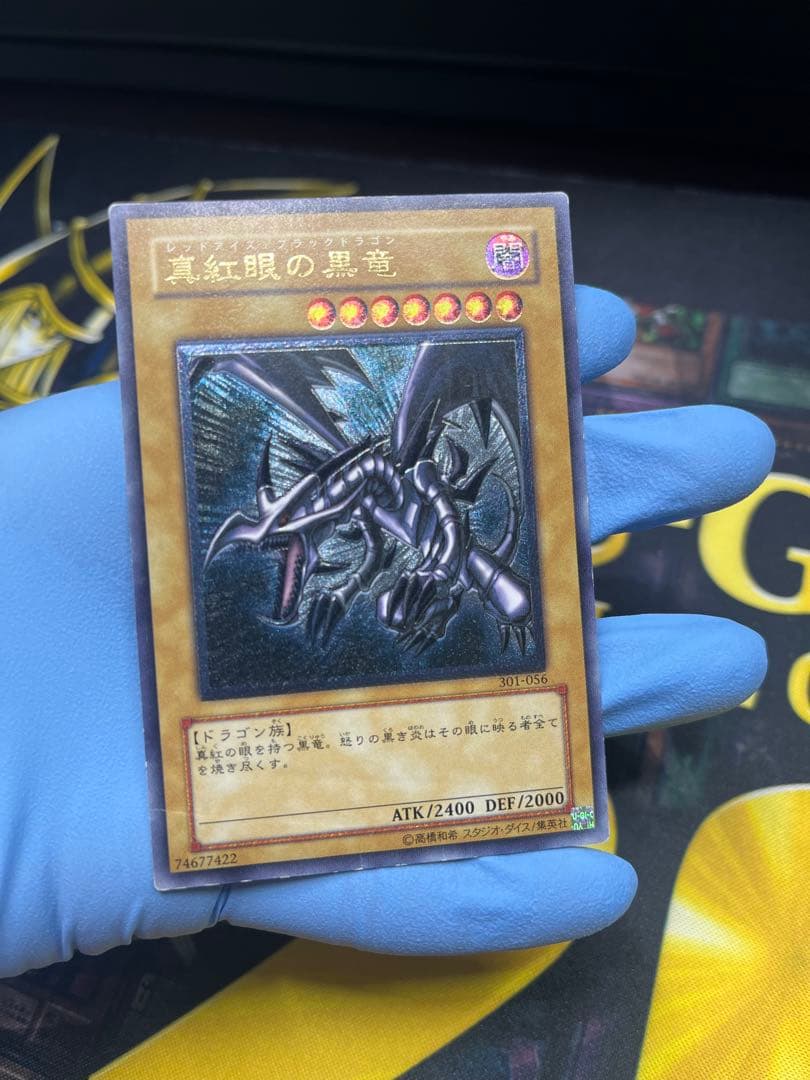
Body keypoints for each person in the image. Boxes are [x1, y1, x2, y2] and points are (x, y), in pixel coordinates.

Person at [0, 286, 774, 977]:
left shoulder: (427, 493)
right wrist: (280, 525)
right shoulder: (364, 508)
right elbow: (341, 494)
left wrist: (431, 541)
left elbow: (388, 493)